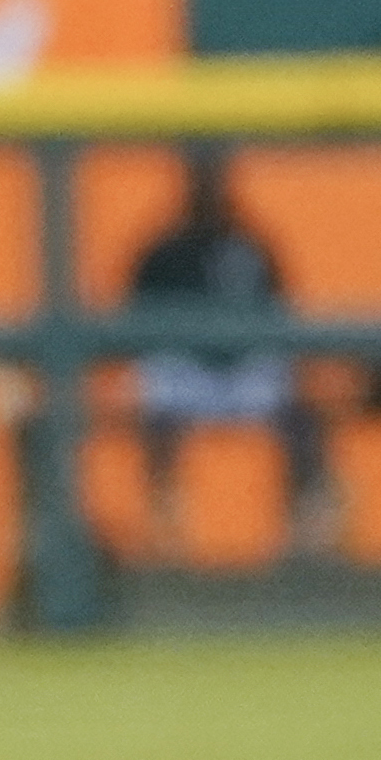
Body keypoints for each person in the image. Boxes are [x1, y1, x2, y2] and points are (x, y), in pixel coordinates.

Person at [123, 139, 335, 564]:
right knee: (156, 416)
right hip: (183, 375)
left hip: (247, 372)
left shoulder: (250, 243)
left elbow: (282, 317)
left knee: (306, 417)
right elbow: (130, 327)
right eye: (201, 178)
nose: (209, 187)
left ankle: (308, 545)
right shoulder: (160, 250)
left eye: (215, 177)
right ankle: (168, 537)